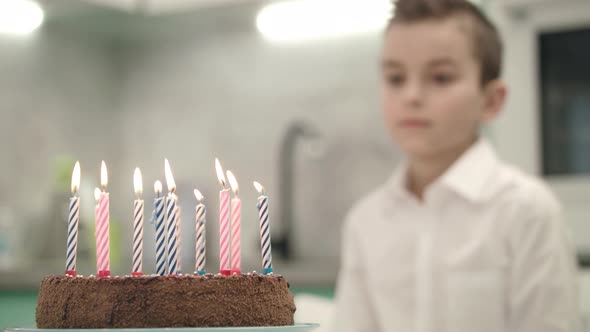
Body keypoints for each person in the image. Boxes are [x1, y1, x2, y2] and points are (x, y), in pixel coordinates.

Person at [332, 0, 580, 331]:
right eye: (395, 78)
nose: (412, 96)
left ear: (491, 100)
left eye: (441, 77)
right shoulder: (365, 222)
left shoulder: (527, 211)